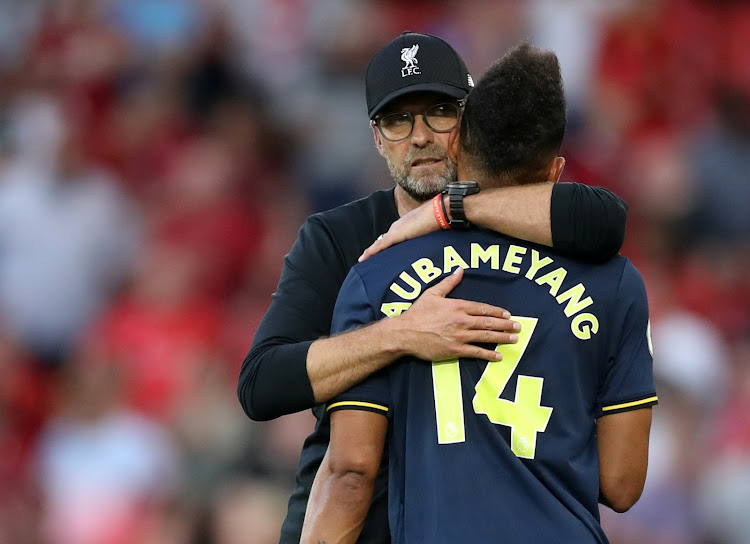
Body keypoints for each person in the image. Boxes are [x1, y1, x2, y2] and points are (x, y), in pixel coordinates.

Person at [238, 32, 629, 544]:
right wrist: (399, 333)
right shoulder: (340, 238)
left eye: (439, 111)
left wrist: (452, 209)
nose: (420, 135)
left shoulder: (513, 222)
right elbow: (262, 383)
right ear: (377, 137)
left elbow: (605, 219)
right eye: (398, 120)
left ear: (470, 122)